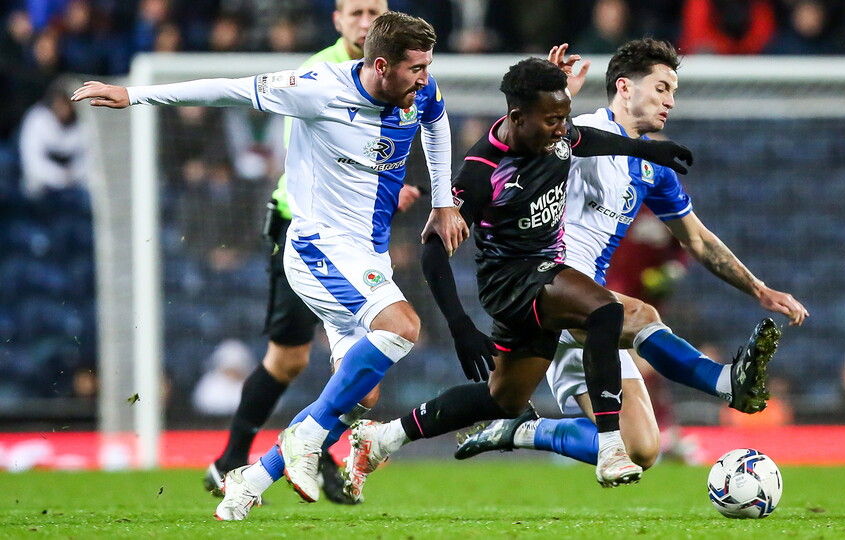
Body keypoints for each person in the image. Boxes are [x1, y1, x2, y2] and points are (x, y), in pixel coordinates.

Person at [73, 10, 469, 520]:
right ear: (380, 65)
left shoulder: (419, 90)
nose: (425, 78)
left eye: (427, 66)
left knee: (360, 394)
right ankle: (306, 438)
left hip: (366, 255)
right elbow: (228, 90)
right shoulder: (317, 88)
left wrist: (443, 202)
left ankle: (250, 480)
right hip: (317, 248)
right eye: (416, 68)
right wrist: (134, 95)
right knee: (403, 326)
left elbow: (436, 123)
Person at [339, 55, 695, 503]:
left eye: (564, 118)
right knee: (605, 311)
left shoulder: (556, 136)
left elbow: (587, 139)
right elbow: (432, 252)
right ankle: (610, 447)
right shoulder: (482, 170)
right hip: (512, 283)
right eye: (552, 121)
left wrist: (647, 150)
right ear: (516, 118)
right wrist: (460, 325)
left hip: (544, 277)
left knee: (503, 399)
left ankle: (383, 437)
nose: (562, 130)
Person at [455, 39, 808, 471]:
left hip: (595, 311)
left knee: (642, 449)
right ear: (624, 87)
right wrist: (551, 90)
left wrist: (759, 289)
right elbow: (514, 139)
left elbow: (697, 239)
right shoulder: (576, 131)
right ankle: (722, 380)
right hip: (552, 288)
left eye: (672, 92)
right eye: (661, 88)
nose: (670, 101)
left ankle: (523, 430)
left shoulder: (652, 166)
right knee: (642, 316)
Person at [200, 0, 419, 505]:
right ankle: (240, 458)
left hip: (358, 233)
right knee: (290, 358)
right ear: (337, 20)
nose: (366, 22)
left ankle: (304, 452)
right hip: (304, 226)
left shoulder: (403, 75)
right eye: (356, 12)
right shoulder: (317, 75)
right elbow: (313, 153)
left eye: (375, 12)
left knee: (364, 371)